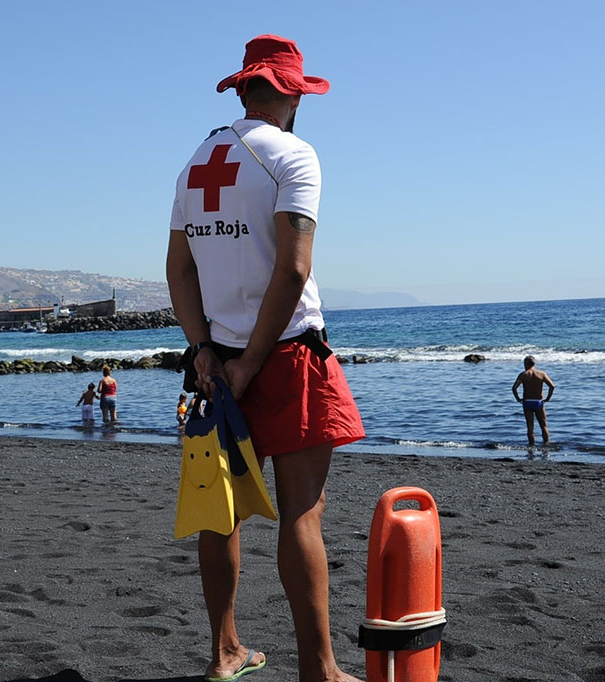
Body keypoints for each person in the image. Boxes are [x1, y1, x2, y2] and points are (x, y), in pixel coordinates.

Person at [166, 35, 366, 682]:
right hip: (283, 355)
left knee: (218, 512)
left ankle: (225, 651)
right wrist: (253, 360)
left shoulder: (197, 162)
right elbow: (294, 267)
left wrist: (204, 349)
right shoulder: (294, 154)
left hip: (215, 363)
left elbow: (179, 269)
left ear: (243, 89)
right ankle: (322, 671)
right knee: (302, 512)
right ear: (290, 93)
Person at [512, 355, 556, 445]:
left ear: (526, 364)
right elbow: (552, 386)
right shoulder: (541, 374)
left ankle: (531, 446)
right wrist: (547, 398)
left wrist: (518, 399)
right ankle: (546, 445)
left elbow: (514, 388)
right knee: (543, 425)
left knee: (530, 426)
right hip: (538, 402)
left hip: (527, 402)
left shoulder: (524, 374)